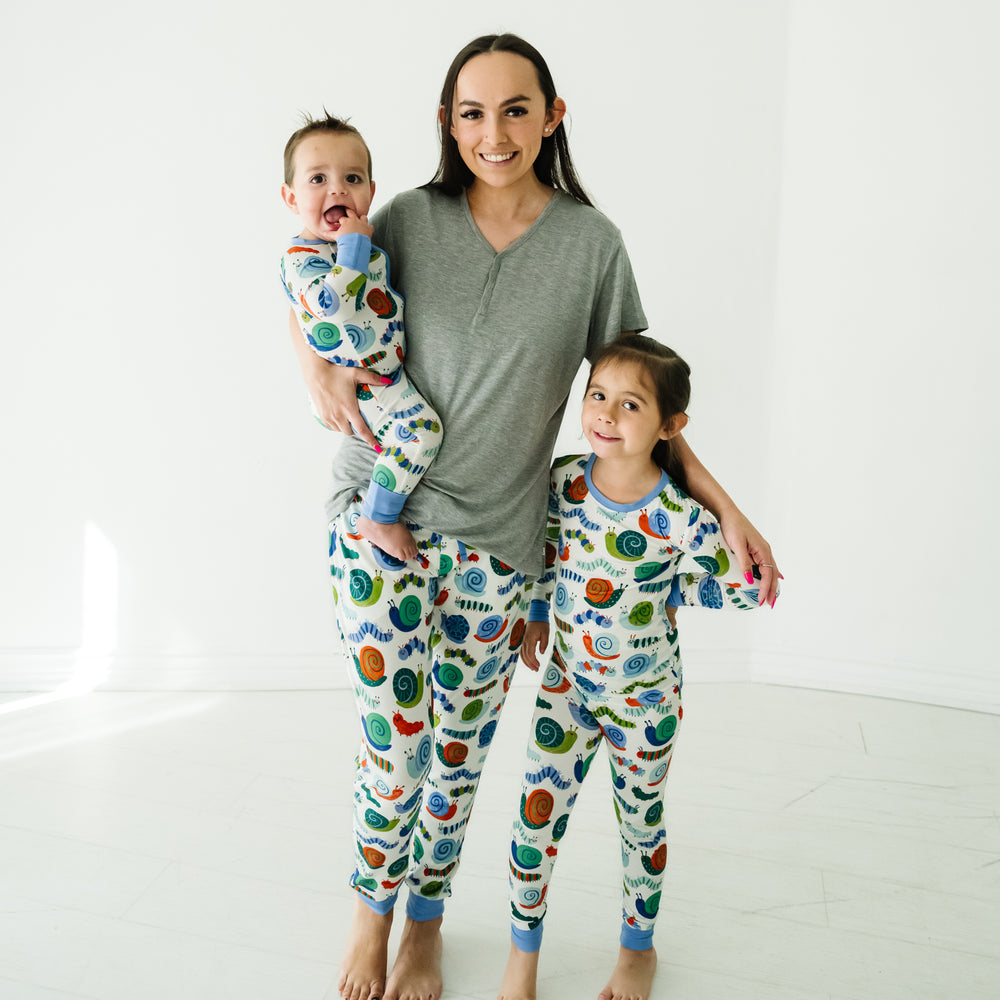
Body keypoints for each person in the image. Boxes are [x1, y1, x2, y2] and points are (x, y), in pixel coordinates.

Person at [285, 34, 781, 1000]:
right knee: (399, 742)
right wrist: (309, 362)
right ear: (446, 123)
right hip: (378, 513)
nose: (493, 132)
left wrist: (724, 508)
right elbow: (312, 273)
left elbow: (639, 401)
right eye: (471, 113)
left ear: (552, 117)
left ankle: (424, 926)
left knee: (459, 755)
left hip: (501, 546)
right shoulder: (406, 219)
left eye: (516, 110)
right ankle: (369, 917)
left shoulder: (592, 246)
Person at [500, 335, 777, 1000]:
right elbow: (545, 549)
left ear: (670, 428)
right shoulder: (564, 480)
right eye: (598, 396)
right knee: (532, 822)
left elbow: (739, 587)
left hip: (644, 701)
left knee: (640, 822)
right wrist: (538, 613)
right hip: (566, 687)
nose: (605, 413)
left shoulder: (679, 517)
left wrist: (674, 589)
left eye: (629, 405)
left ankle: (636, 951)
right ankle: (521, 960)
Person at [281, 114, 442, 561]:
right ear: (291, 198)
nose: (337, 189)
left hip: (384, 375)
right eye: (318, 179)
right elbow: (329, 305)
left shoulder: (361, 243)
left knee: (412, 435)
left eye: (352, 178)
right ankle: (379, 516)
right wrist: (354, 249)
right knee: (422, 434)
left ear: (371, 192)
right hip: (363, 384)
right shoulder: (300, 258)